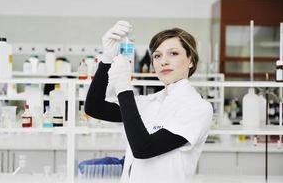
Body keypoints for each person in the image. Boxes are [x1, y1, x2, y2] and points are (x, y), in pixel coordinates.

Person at [85, 21, 213, 183]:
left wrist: (124, 88)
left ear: (191, 60)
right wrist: (107, 59)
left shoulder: (197, 108)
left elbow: (144, 149)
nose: (163, 61)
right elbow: (94, 107)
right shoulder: (148, 102)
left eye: (173, 53)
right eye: (157, 55)